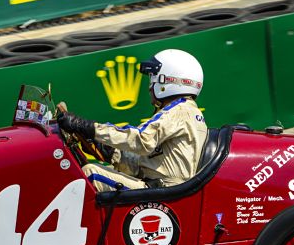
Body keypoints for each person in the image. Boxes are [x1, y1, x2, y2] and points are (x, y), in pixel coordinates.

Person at [58, 48, 207, 192]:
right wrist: (110, 152)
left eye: (153, 78)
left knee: (89, 174)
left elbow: (141, 140)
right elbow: (147, 165)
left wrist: (88, 127)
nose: (150, 87)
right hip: (163, 188)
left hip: (165, 192)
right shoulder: (186, 111)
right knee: (101, 170)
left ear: (167, 80)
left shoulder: (179, 111)